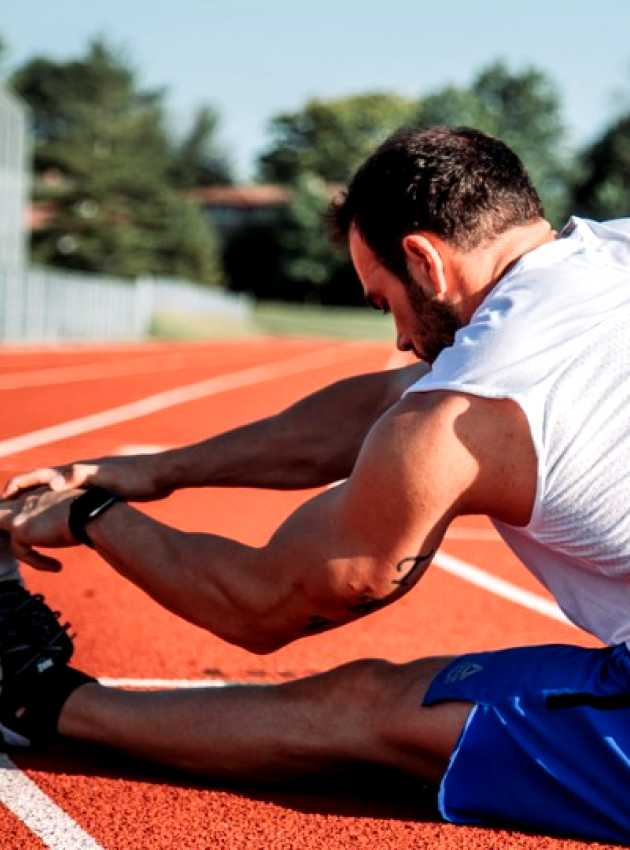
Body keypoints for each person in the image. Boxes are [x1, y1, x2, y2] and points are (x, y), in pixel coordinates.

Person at [0, 126, 628, 844]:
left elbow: (264, 603)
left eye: (383, 299)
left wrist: (93, 516)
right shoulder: (607, 257)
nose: (397, 336)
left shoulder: (470, 410)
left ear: (423, 259)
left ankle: (39, 703)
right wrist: (154, 470)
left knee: (363, 710)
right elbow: (378, 404)